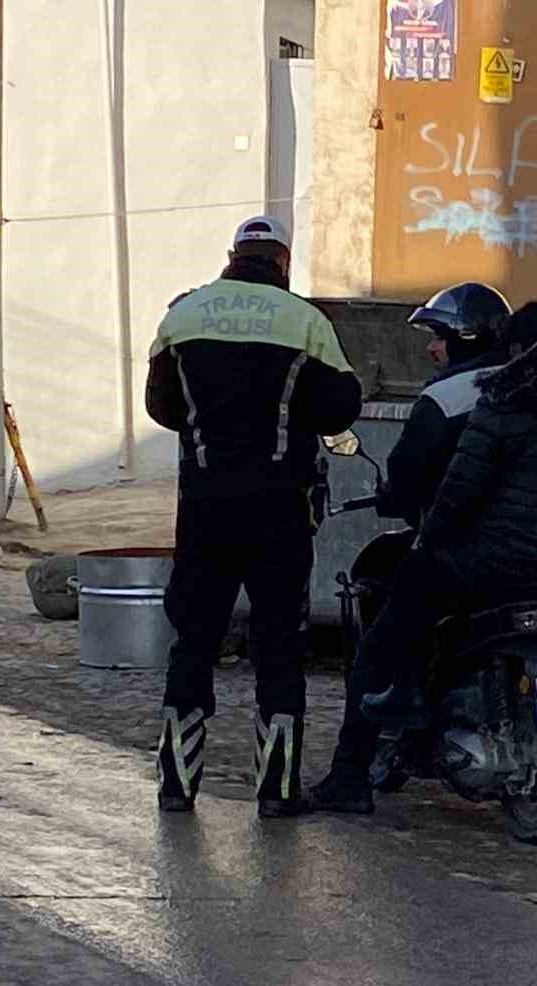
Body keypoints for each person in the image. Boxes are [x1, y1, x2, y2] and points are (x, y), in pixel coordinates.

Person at [145, 215, 363, 817]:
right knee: (278, 646)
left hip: (204, 507)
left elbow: (160, 405)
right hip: (280, 511)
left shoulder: (184, 317)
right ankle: (276, 789)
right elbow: (342, 406)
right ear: (284, 262)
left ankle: (176, 785)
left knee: (193, 642)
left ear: (232, 255)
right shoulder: (305, 323)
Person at [359, 302, 537, 730]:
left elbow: (459, 492)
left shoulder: (503, 401)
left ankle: (406, 693)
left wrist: (430, 536)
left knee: (414, 584)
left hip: (509, 561)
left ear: (518, 349)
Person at [309, 282, 512, 813]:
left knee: (378, 648)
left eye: (439, 337)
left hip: (468, 557)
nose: (431, 349)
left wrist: (402, 500)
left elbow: (407, 478)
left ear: (465, 338)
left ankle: (350, 773)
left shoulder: (447, 399)